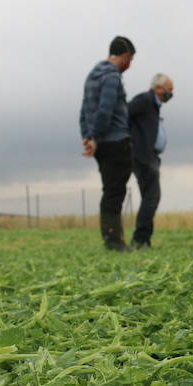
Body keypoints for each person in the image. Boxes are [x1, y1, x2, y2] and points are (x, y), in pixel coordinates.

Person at [80, 36, 135, 251]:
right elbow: (106, 109)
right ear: (124, 56)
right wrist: (95, 136)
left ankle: (113, 238)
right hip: (115, 140)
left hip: (101, 144)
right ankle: (113, 241)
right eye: (130, 59)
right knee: (115, 192)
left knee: (110, 190)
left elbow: (84, 110)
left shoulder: (91, 76)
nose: (129, 64)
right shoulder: (112, 77)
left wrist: (87, 136)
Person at [127, 73, 175, 249]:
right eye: (169, 90)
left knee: (150, 197)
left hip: (150, 156)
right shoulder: (145, 100)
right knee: (152, 196)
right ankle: (140, 239)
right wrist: (134, 142)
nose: (171, 94)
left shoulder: (154, 106)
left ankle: (144, 239)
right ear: (158, 88)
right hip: (143, 155)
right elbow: (125, 114)